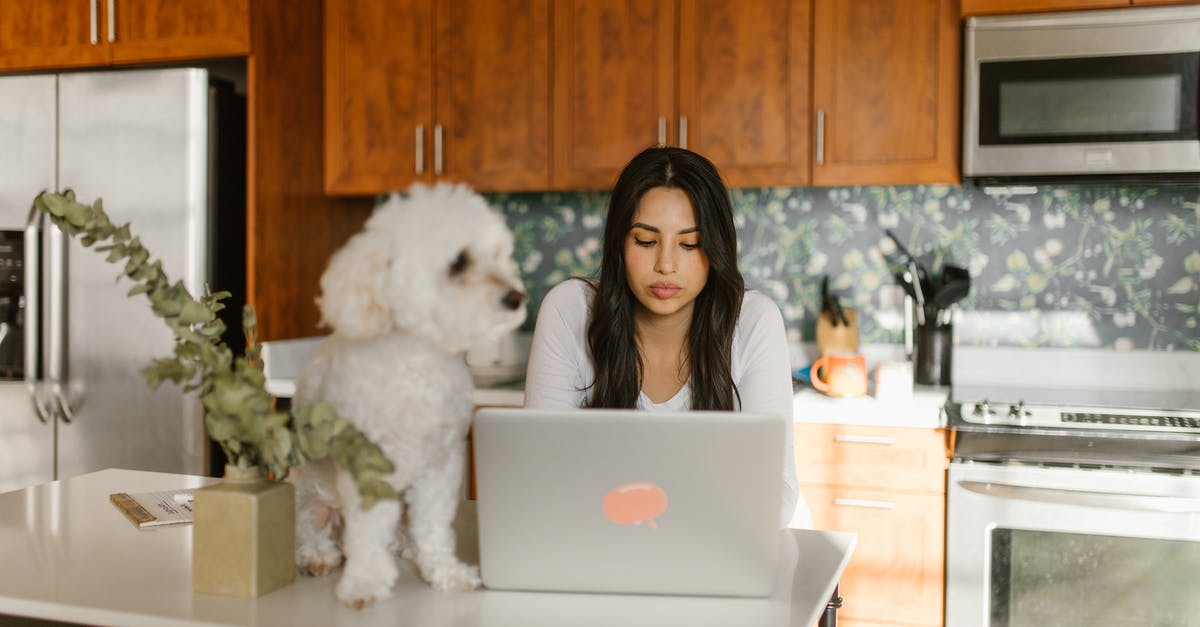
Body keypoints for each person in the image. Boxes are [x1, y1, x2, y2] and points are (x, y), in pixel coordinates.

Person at [523, 146, 809, 529]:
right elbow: (542, 476)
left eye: (689, 244)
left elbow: (776, 486)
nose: (666, 265)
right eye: (645, 241)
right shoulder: (569, 310)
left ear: (715, 249)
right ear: (619, 245)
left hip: (731, 549)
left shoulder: (753, 322)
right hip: (604, 550)